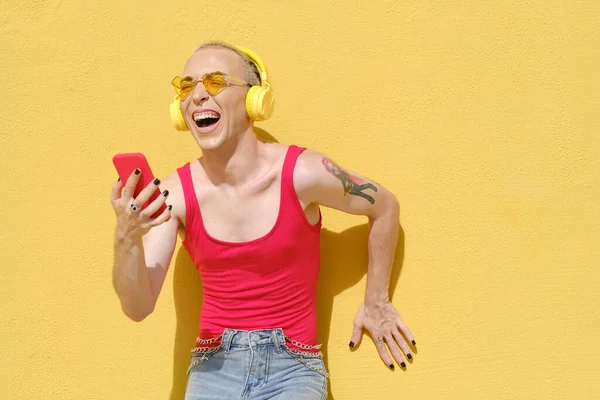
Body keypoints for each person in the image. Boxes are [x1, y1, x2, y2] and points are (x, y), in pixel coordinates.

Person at [110, 41, 416, 400]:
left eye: (214, 82)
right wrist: (125, 238)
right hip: (213, 368)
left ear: (255, 101)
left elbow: (385, 206)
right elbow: (137, 307)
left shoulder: (303, 173)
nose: (197, 96)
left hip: (293, 369)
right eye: (187, 86)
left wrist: (377, 301)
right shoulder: (174, 194)